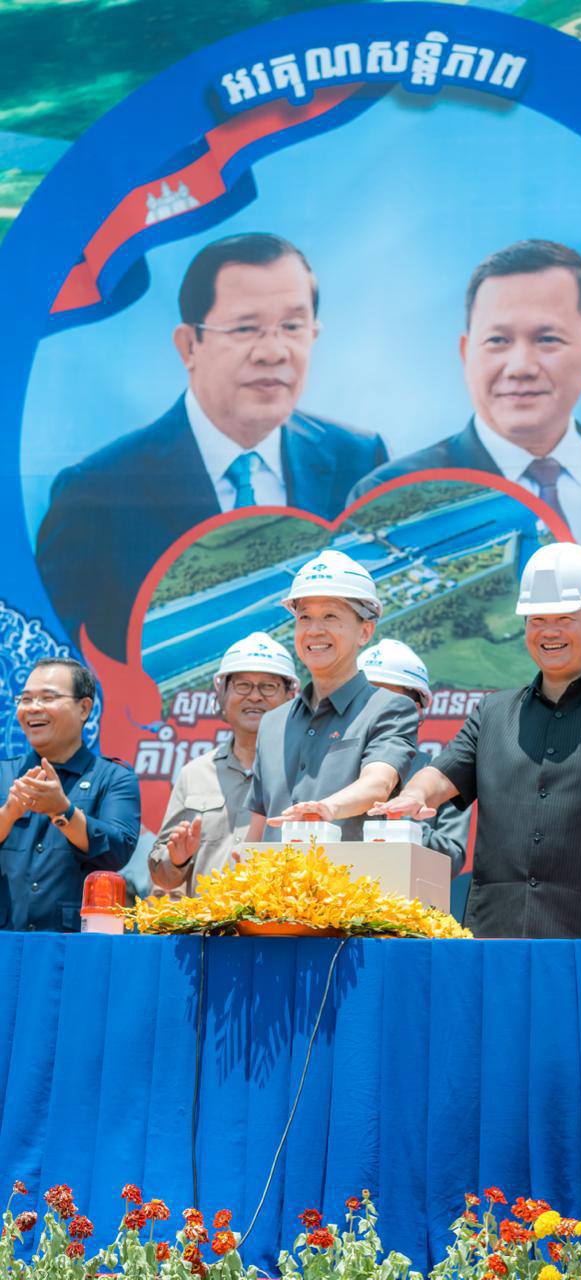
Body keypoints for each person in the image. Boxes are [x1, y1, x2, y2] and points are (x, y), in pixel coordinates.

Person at [36, 232, 389, 660]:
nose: (273, 352)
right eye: (245, 328)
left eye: (292, 327)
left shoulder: (358, 458)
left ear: (314, 334)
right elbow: (52, 661)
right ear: (189, 345)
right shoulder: (95, 493)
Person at [349, 239, 581, 649]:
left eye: (547, 339)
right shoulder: (391, 497)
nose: (520, 367)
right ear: (466, 352)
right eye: (497, 341)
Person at [370, 542, 581, 952]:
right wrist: (416, 794)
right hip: (497, 936)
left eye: (564, 619)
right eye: (537, 619)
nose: (549, 632)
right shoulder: (492, 713)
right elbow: (442, 774)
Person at [247, 551, 419, 841]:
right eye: (305, 617)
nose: (314, 630)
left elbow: (378, 783)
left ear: (365, 631)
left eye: (330, 616)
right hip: (273, 873)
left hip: (349, 871)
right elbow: (258, 826)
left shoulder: (389, 709)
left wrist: (327, 808)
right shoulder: (273, 723)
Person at [148, 632, 298, 895]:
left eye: (268, 686)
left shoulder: (309, 773)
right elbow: (163, 878)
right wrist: (177, 860)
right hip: (207, 921)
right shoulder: (194, 774)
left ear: (291, 697)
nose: (255, 696)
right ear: (222, 695)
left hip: (283, 921)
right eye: (243, 685)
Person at [0, 657, 140, 931]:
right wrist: (9, 813)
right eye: (26, 699)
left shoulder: (114, 778)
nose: (33, 708)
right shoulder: (4, 774)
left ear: (84, 708)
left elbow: (117, 851)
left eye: (48, 698)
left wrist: (63, 811)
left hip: (74, 943)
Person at [358, 637, 470, 874]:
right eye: (366, 699)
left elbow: (452, 859)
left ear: (417, 708)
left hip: (405, 895)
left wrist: (404, 820)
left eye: (389, 700)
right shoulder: (328, 766)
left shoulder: (443, 775)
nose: (376, 709)